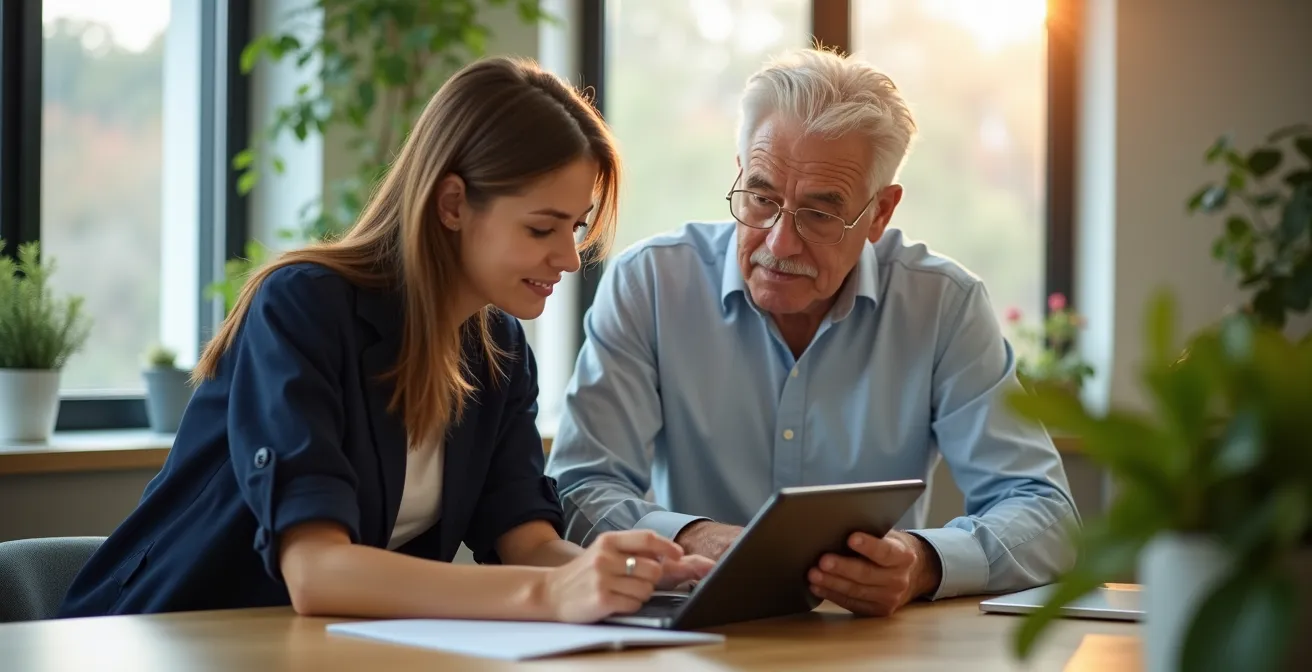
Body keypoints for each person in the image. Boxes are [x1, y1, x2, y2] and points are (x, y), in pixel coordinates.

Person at [59, 56, 711, 622]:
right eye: (542, 229)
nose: (570, 260)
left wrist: (635, 581)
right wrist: (549, 595)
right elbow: (317, 573)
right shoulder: (303, 307)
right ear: (452, 204)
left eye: (577, 227)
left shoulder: (500, 352)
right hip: (163, 637)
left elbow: (531, 543)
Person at [545, 48, 1080, 617]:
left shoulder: (942, 303)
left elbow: (1045, 513)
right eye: (761, 197)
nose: (779, 243)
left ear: (879, 214)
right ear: (739, 173)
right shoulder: (651, 283)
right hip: (690, 633)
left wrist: (923, 561)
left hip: (872, 644)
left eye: (820, 214)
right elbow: (578, 490)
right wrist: (696, 538)